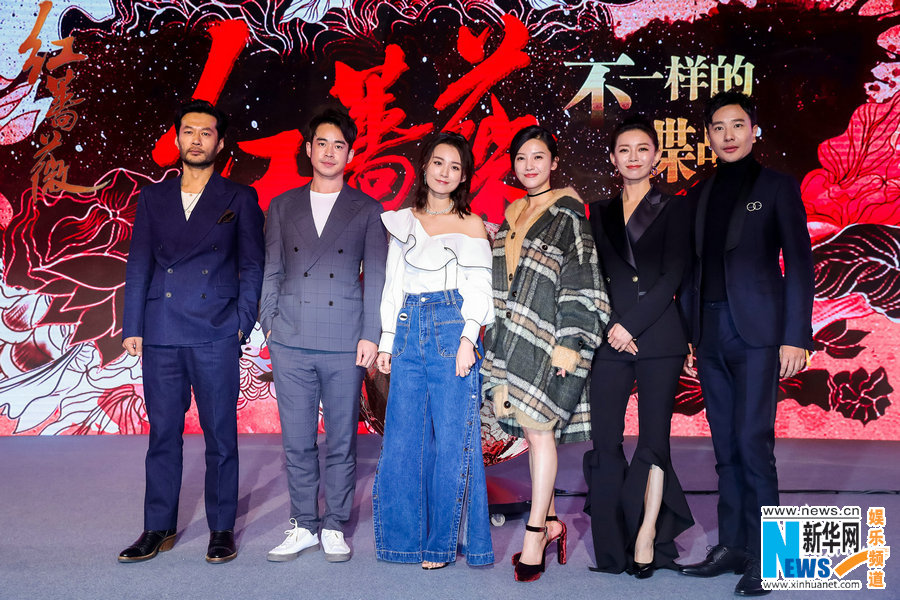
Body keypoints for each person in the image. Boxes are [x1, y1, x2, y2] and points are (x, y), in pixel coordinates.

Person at [677, 91, 814, 596]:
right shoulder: (699, 192)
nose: (728, 135)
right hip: (709, 335)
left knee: (754, 444)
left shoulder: (777, 186)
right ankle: (733, 546)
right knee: (725, 448)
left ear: (754, 130)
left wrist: (795, 336)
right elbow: (692, 270)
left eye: (737, 125)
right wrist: (690, 336)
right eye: (718, 127)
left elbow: (799, 263)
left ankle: (769, 558)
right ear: (709, 136)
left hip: (758, 335)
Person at [119, 99, 265, 563]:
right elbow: (139, 263)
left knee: (221, 435)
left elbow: (253, 265)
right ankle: (157, 526)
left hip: (216, 330)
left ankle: (221, 528)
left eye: (206, 132)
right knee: (163, 434)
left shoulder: (239, 197)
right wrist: (133, 325)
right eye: (188, 131)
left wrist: (241, 322)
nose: (196, 140)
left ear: (220, 143)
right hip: (161, 329)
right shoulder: (153, 197)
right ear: (177, 138)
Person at [259, 107, 387, 563]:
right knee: (296, 441)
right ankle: (303, 524)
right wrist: (269, 324)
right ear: (308, 149)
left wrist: (371, 335)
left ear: (350, 154)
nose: (330, 152)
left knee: (341, 441)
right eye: (322, 143)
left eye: (339, 145)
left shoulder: (367, 209)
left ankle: (334, 524)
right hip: (290, 338)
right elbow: (272, 270)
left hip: (344, 340)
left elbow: (376, 277)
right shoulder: (282, 205)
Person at [481, 125, 608, 582]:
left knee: (539, 434)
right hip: (511, 339)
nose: (529, 165)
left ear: (553, 162)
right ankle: (552, 520)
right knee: (533, 436)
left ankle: (535, 535)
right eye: (521, 158)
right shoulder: (513, 214)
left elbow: (582, 281)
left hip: (551, 340)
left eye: (538, 157)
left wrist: (569, 343)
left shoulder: (569, 215)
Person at [372, 132, 494, 569]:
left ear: (463, 177)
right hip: (407, 328)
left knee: (456, 441)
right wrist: (387, 341)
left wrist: (467, 338)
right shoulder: (402, 221)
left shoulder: (471, 224)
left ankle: (444, 545)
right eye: (439, 162)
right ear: (424, 167)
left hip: (451, 327)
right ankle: (403, 544)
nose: (445, 172)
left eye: (455, 167)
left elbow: (480, 287)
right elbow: (393, 284)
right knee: (402, 441)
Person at [583, 115, 694, 579]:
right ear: (613, 158)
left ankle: (647, 533)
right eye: (624, 150)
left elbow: (673, 276)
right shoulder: (597, 212)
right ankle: (611, 543)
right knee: (605, 439)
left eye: (642, 149)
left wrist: (630, 325)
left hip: (658, 336)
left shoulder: (675, 208)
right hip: (609, 338)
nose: (633, 157)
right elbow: (590, 277)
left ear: (656, 156)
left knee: (653, 440)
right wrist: (614, 326)